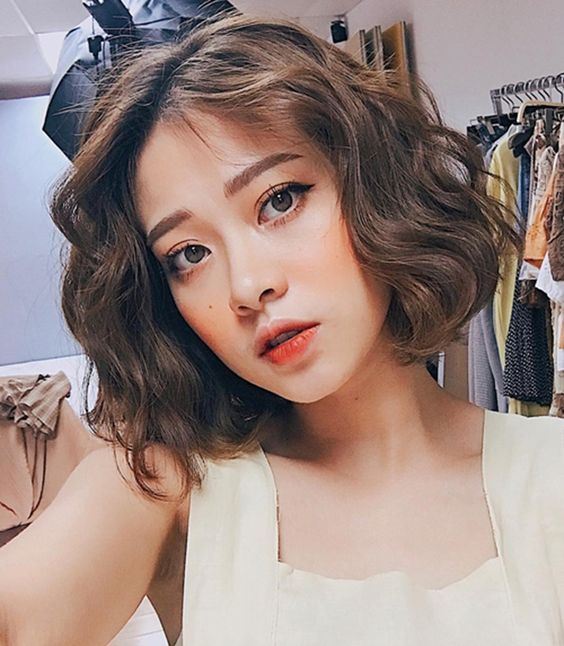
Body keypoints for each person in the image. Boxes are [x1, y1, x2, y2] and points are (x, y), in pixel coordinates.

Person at [1, 11, 563, 646]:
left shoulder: (550, 476)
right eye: (189, 254)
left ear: (374, 186)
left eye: (279, 200)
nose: (247, 287)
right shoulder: (169, 490)